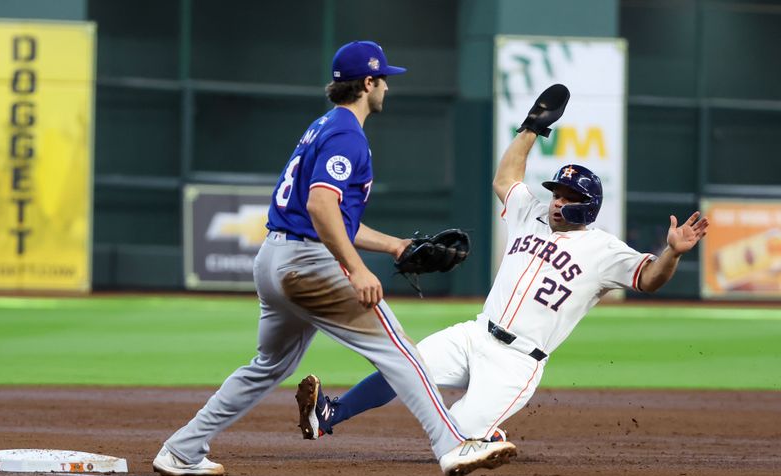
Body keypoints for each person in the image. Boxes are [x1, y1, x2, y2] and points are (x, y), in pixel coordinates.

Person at [152, 40, 516, 476]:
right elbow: (321, 207)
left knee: (268, 365)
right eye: (384, 79)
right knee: (401, 353)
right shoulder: (347, 135)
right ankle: (453, 445)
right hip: (308, 263)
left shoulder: (323, 126)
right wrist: (357, 269)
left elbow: (336, 217)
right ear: (368, 83)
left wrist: (395, 246)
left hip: (274, 259)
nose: (387, 88)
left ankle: (182, 448)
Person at [296, 83, 709, 445]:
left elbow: (650, 278)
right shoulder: (530, 212)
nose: (558, 201)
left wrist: (672, 252)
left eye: (568, 197)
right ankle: (329, 415)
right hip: (476, 334)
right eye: (557, 193)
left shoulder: (603, 250)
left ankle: (482, 431)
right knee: (404, 364)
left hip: (517, 363)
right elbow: (505, 178)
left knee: (451, 434)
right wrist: (531, 129)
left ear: (589, 207)